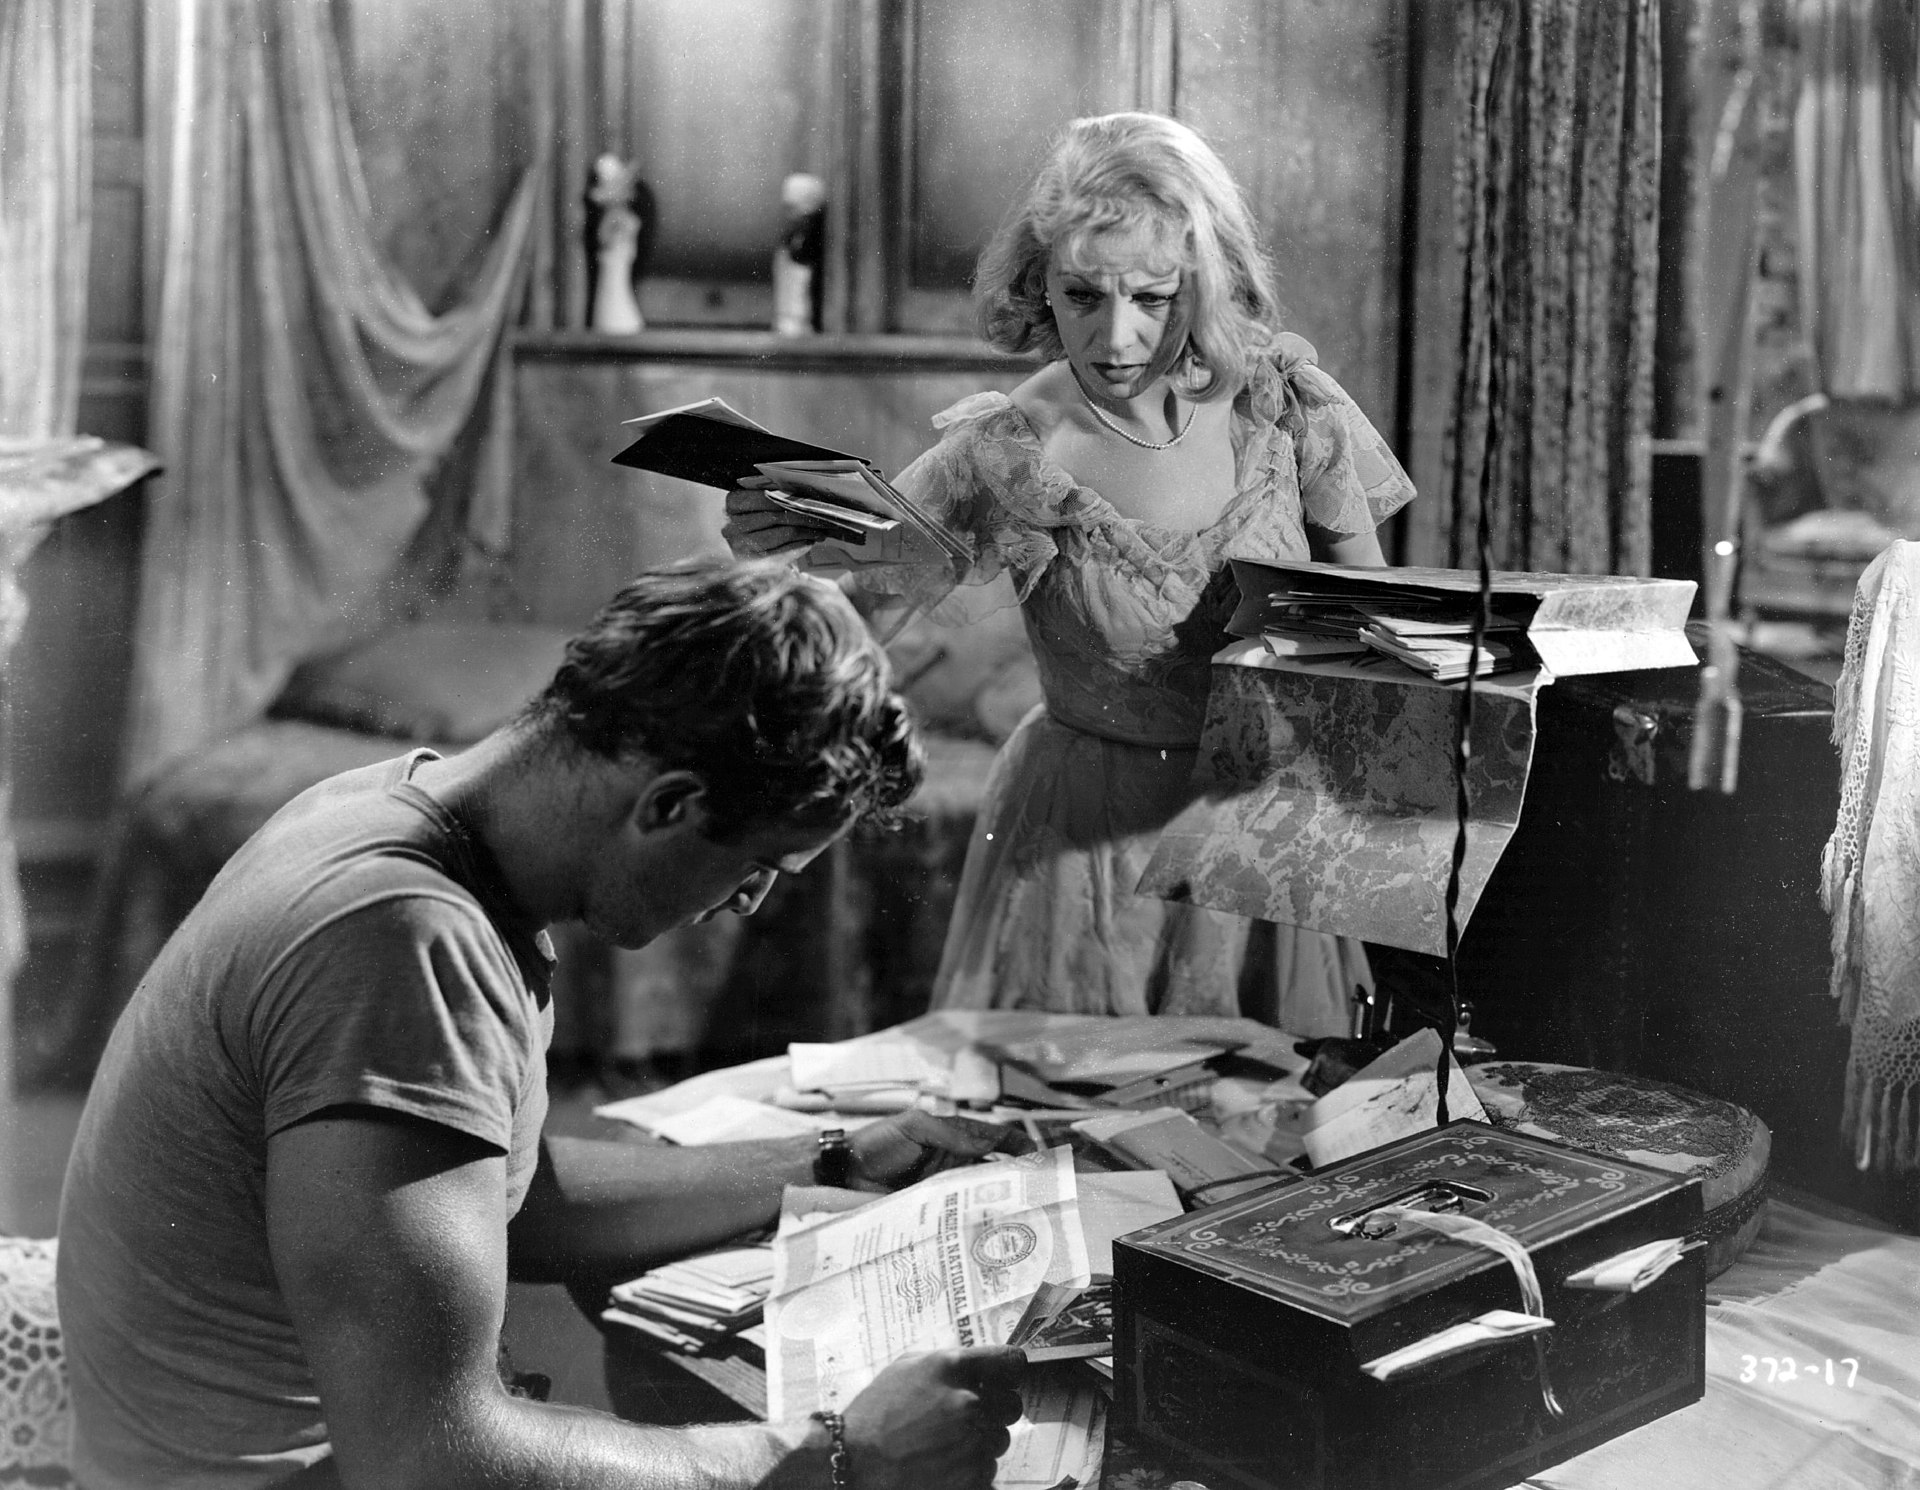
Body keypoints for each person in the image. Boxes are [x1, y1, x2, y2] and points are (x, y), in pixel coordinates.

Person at [56, 560, 1027, 1490]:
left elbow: (497, 1193)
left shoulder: (390, 808)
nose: (749, 902)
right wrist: (841, 1455)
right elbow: (432, 1460)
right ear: (670, 804)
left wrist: (832, 1160)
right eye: (762, 864)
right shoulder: (404, 939)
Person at [725, 112, 1416, 1034]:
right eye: (1083, 295)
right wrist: (793, 555)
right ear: (1042, 281)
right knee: (1074, 1145)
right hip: (1082, 859)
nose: (1117, 336)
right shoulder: (1010, 445)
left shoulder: (1284, 403)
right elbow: (847, 633)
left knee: (1267, 1142)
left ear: (1205, 285)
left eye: (1154, 297)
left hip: (1256, 835)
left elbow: (1371, 629)